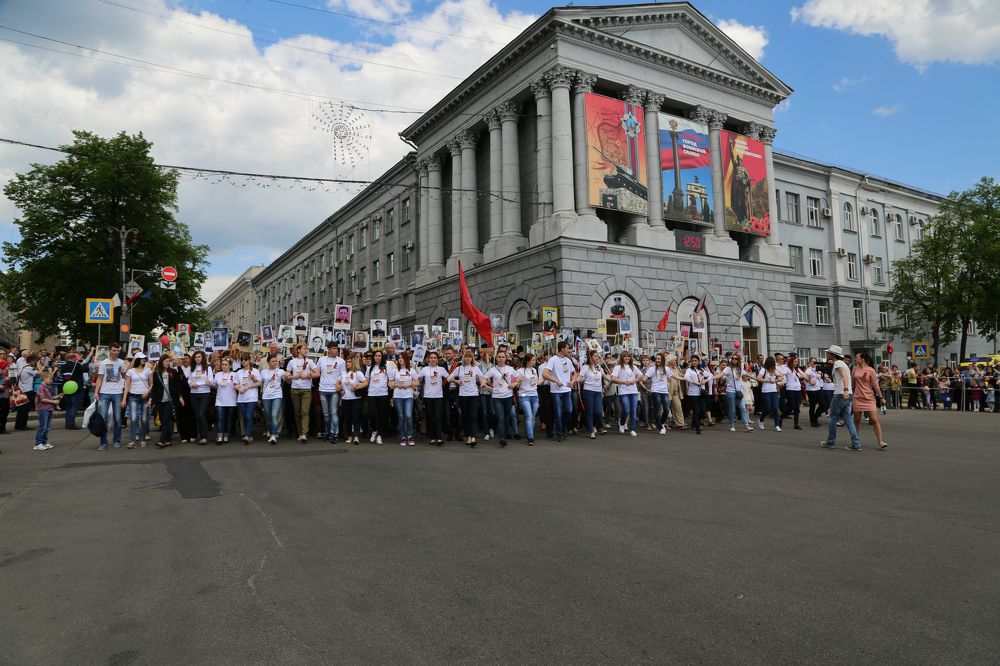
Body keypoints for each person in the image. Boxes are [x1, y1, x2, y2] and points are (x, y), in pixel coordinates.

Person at [820, 345, 861, 450]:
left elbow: (845, 376)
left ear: (833, 355)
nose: (827, 354)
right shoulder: (842, 363)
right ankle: (856, 443)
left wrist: (845, 389)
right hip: (846, 393)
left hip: (840, 393)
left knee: (833, 417)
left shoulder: (838, 363)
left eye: (828, 353)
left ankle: (830, 441)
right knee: (847, 418)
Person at [94, 343, 127, 450]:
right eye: (114, 350)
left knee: (117, 419)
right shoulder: (103, 363)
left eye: (118, 351)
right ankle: (103, 443)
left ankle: (117, 441)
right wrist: (96, 392)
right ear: (110, 350)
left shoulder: (121, 362)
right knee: (103, 419)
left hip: (117, 393)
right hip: (104, 392)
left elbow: (124, 376)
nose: (116, 352)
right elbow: (99, 378)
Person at [542, 341, 577, 442]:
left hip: (567, 389)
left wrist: (573, 381)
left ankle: (562, 430)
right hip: (556, 391)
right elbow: (545, 373)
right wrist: (556, 381)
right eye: (567, 348)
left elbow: (575, 373)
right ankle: (559, 433)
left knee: (569, 410)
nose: (569, 350)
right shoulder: (553, 360)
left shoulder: (568, 360)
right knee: (558, 413)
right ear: (562, 349)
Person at [483, 349, 518, 448]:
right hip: (497, 397)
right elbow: (484, 379)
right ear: (496, 358)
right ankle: (502, 438)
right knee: (500, 417)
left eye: (503, 357)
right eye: (499, 357)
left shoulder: (510, 369)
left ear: (505, 358)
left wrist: (514, 384)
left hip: (508, 397)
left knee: (507, 417)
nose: (501, 359)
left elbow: (519, 378)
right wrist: (486, 386)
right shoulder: (492, 370)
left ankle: (505, 435)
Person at [852, 353, 887, 450]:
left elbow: (875, 385)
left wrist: (881, 397)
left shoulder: (871, 370)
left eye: (857, 357)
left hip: (869, 398)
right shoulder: (854, 369)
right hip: (857, 398)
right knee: (857, 421)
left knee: (874, 420)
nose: (855, 359)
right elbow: (852, 383)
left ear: (862, 359)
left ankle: (881, 442)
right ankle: (855, 441)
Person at [450, 349, 484, 447]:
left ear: (472, 358)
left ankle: (473, 437)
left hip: (473, 395)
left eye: (470, 357)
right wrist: (457, 381)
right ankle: (468, 436)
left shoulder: (475, 368)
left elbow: (482, 377)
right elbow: (449, 378)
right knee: (465, 417)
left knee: (473, 416)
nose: (468, 358)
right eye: (466, 356)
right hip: (463, 395)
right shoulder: (459, 368)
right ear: (463, 358)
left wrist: (482, 382)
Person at [148, 353, 181, 448]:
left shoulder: (173, 372)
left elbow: (177, 385)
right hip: (159, 400)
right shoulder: (156, 373)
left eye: (168, 361)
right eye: (166, 361)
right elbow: (154, 388)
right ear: (161, 362)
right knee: (163, 420)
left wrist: (180, 396)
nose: (167, 363)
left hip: (170, 400)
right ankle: (168, 439)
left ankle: (162, 440)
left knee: (166, 419)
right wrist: (151, 399)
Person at [285, 344, 317, 443]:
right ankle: (299, 432)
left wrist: (309, 375)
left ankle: (304, 433)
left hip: (306, 389)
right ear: (298, 350)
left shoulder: (310, 361)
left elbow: (317, 373)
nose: (306, 350)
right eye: (304, 348)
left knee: (305, 412)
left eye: (306, 348)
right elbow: (287, 375)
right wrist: (295, 376)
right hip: (295, 389)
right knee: (297, 412)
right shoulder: (291, 362)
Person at [315, 342, 346, 442]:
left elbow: (343, 375)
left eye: (337, 348)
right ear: (328, 349)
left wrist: (339, 383)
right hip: (323, 390)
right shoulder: (321, 359)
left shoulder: (341, 361)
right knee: (326, 414)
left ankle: (335, 434)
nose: (336, 350)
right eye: (334, 348)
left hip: (334, 390)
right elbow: (317, 372)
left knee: (333, 412)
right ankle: (328, 432)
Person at [122, 353, 152, 448]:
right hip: (133, 396)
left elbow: (152, 384)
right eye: (142, 358)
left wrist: (148, 390)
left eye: (144, 358)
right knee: (134, 419)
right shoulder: (130, 371)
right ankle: (133, 441)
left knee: (144, 419)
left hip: (145, 397)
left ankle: (143, 439)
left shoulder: (148, 370)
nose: (144, 359)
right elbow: (127, 386)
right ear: (137, 359)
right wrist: (124, 399)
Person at [717, 357, 753, 432]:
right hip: (730, 391)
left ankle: (746, 425)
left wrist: (756, 378)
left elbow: (747, 374)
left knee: (743, 408)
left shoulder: (739, 369)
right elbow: (720, 375)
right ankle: (731, 425)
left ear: (738, 360)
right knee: (732, 409)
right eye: (733, 358)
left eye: (736, 359)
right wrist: (710, 378)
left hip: (739, 391)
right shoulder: (728, 368)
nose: (734, 360)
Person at [418, 351, 446, 446]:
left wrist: (458, 380)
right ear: (428, 359)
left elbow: (449, 377)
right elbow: (417, 378)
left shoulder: (441, 369)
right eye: (431, 358)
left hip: (438, 396)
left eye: (435, 358)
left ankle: (438, 437)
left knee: (438, 417)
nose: (433, 359)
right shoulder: (425, 369)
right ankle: (432, 437)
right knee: (430, 417)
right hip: (428, 396)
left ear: (438, 359)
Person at [611, 351, 642, 436]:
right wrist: (624, 382)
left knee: (633, 410)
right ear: (622, 358)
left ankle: (632, 428)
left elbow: (641, 376)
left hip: (633, 391)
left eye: (628, 356)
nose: (627, 358)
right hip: (623, 391)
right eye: (625, 357)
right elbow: (613, 378)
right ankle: (622, 422)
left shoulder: (633, 367)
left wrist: (634, 380)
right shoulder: (618, 367)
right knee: (626, 409)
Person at [389, 353, 417, 446]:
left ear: (406, 359)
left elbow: (417, 382)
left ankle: (409, 436)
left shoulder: (411, 370)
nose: (400, 359)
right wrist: (397, 385)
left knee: (408, 416)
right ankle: (403, 437)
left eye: (402, 358)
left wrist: (409, 385)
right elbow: (390, 383)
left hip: (408, 395)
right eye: (399, 358)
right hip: (398, 396)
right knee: (401, 417)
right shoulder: (395, 370)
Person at [578, 350, 605, 440]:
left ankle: (594, 425)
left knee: (598, 412)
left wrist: (614, 378)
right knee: (590, 411)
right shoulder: (585, 367)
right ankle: (591, 431)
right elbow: (580, 377)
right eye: (596, 356)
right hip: (588, 391)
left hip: (598, 392)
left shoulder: (599, 367)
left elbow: (605, 376)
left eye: (598, 356)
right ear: (591, 357)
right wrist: (574, 381)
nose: (598, 358)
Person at [188, 350, 214, 444]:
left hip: (205, 393)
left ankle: (204, 437)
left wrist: (208, 383)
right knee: (197, 415)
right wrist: (191, 384)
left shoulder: (207, 368)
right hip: (194, 393)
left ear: (202, 357)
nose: (197, 359)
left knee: (201, 413)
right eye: (195, 357)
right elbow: (189, 380)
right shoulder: (192, 367)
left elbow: (211, 381)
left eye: (199, 357)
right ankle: (201, 434)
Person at [235, 354, 262, 444]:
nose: (243, 361)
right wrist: (239, 388)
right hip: (241, 398)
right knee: (245, 417)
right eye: (242, 359)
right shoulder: (239, 372)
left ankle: (247, 435)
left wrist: (251, 382)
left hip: (251, 397)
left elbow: (259, 383)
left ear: (249, 360)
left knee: (248, 416)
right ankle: (249, 435)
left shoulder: (255, 371)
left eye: (246, 359)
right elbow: (235, 384)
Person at [367, 350, 391, 445]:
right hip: (372, 394)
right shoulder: (370, 368)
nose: (377, 357)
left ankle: (380, 435)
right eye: (376, 356)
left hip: (383, 394)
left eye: (379, 356)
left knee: (382, 416)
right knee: (372, 414)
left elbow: (391, 380)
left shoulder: (387, 367)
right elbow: (366, 381)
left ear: (382, 357)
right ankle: (374, 431)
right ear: (373, 357)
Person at [32, 370, 60, 451]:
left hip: (49, 408)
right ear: (44, 378)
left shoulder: (48, 387)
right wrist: (54, 402)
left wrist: (57, 396)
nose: (51, 381)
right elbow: (43, 399)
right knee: (43, 427)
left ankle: (44, 442)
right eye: (50, 379)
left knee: (47, 427)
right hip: (43, 409)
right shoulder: (41, 387)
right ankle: (38, 443)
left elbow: (50, 397)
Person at [260, 355, 284, 445]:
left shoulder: (280, 371)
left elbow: (288, 378)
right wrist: (254, 379)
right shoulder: (263, 372)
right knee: (268, 415)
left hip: (277, 395)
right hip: (266, 396)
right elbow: (259, 382)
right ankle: (271, 430)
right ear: (268, 362)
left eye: (276, 361)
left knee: (274, 415)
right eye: (273, 361)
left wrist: (295, 375)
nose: (275, 362)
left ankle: (273, 435)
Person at [515, 353, 540, 445]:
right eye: (533, 360)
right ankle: (530, 437)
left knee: (533, 416)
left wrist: (541, 380)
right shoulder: (520, 371)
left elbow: (536, 382)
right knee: (529, 415)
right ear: (528, 361)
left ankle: (530, 433)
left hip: (534, 394)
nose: (534, 361)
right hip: (524, 395)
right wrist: (518, 382)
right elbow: (517, 384)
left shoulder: (534, 370)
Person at [644, 354, 671, 435]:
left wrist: (685, 377)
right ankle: (660, 427)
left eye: (659, 359)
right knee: (657, 409)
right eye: (656, 359)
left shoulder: (666, 369)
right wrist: (637, 378)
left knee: (666, 409)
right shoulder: (652, 369)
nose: (657, 360)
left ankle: (661, 423)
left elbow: (674, 376)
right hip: (655, 390)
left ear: (662, 359)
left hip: (664, 391)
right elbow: (644, 378)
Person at [213, 358, 237, 444]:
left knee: (229, 419)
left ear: (230, 366)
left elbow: (236, 385)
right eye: (222, 364)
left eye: (226, 364)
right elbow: (214, 386)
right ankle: (220, 436)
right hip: (220, 400)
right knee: (220, 418)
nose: (224, 366)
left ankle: (226, 435)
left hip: (231, 400)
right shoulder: (218, 374)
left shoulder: (234, 374)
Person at [757, 357, 783, 431]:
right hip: (765, 391)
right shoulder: (763, 370)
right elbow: (758, 378)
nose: (773, 364)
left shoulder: (774, 370)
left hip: (774, 391)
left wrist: (777, 379)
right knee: (767, 409)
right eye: (772, 363)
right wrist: (768, 380)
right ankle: (761, 420)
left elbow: (781, 377)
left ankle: (777, 425)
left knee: (775, 408)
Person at [684, 354, 707, 434]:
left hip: (701, 393)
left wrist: (705, 381)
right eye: (692, 361)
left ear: (698, 361)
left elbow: (710, 375)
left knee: (703, 410)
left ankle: (694, 423)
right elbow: (686, 377)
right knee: (696, 410)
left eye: (695, 361)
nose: (694, 362)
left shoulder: (701, 369)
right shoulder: (689, 370)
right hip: (693, 393)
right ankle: (697, 427)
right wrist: (695, 382)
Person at [780, 355, 804, 430]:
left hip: (798, 389)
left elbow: (804, 375)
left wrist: (809, 379)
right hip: (790, 389)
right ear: (791, 362)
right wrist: (779, 380)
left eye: (797, 361)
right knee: (791, 407)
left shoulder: (797, 369)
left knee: (797, 407)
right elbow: (781, 375)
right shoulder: (787, 369)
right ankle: (781, 417)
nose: (797, 363)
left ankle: (796, 424)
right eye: (795, 361)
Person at [804, 357, 824, 427]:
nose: (814, 363)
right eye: (812, 361)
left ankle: (815, 418)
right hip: (811, 390)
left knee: (822, 404)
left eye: (815, 362)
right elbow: (804, 376)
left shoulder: (817, 369)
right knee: (812, 406)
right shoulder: (809, 370)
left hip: (818, 389)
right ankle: (812, 421)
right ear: (809, 362)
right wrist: (810, 381)